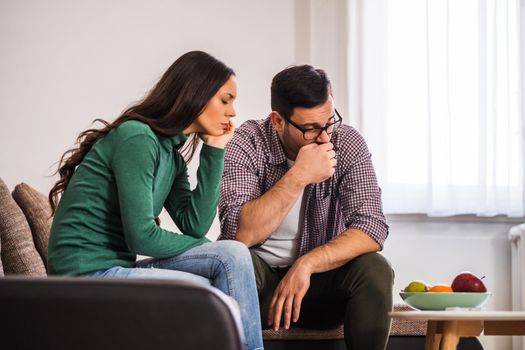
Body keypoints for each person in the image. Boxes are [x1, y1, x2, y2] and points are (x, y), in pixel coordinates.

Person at [47, 51, 263, 350]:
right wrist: (207, 247)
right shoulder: (137, 137)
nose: (233, 112)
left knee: (221, 272)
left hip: (117, 267)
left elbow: (195, 225)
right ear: (196, 93)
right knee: (227, 262)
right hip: (86, 275)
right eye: (225, 100)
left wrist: (214, 151)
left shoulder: (171, 157)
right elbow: (141, 236)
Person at [219, 65, 394, 350]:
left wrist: (307, 264)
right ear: (278, 121)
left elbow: (372, 228)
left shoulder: (346, 142)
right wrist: (299, 175)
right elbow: (239, 235)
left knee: (375, 268)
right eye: (311, 129)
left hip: (316, 285)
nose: (325, 137)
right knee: (235, 259)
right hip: (257, 289)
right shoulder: (248, 141)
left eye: (329, 122)